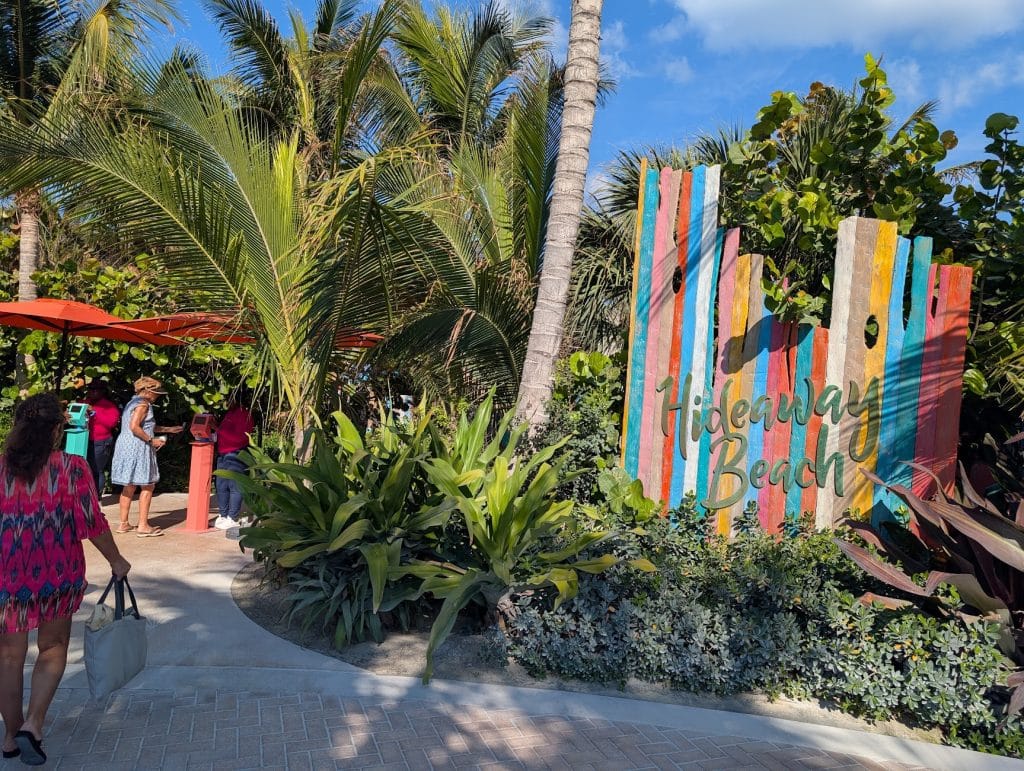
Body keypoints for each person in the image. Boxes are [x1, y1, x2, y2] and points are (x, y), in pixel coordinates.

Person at [0, 393, 131, 766]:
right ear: (58, 429)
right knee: (53, 648)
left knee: (9, 657)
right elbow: (91, 522)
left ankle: (10, 736)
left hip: (7, 576)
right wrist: (116, 560)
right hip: (57, 574)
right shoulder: (71, 467)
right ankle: (33, 725)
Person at [110, 376, 184, 537]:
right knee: (147, 484)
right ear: (147, 391)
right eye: (155, 392)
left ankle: (123, 523)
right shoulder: (144, 404)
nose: (157, 395)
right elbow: (135, 427)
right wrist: (152, 440)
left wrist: (169, 430)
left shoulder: (132, 402)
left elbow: (146, 426)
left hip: (125, 445)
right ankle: (143, 525)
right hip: (138, 446)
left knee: (128, 484)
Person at [213, 397, 255, 530]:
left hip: (236, 453)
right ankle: (223, 515)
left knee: (235, 486)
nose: (225, 402)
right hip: (223, 454)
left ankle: (232, 517)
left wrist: (218, 429)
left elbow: (240, 438)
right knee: (221, 485)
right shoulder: (230, 413)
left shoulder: (244, 415)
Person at [84, 380, 120, 496]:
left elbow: (111, 423)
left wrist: (95, 412)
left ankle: (96, 496)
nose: (92, 392)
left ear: (102, 392)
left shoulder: (109, 406)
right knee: (85, 469)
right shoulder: (85, 402)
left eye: (95, 390)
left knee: (96, 470)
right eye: (90, 390)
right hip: (85, 440)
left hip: (101, 442)